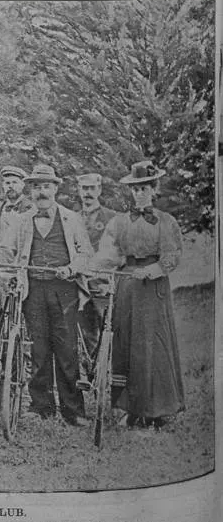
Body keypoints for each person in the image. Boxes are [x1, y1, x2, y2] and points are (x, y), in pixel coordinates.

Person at [0, 164, 93, 426]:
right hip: (33, 289)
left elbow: (86, 255)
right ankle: (41, 407)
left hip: (65, 291)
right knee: (38, 350)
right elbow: (6, 250)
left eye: (46, 186)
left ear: (55, 189)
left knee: (66, 351)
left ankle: (73, 411)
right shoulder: (22, 221)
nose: (41, 192)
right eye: (36, 187)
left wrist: (71, 268)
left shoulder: (72, 219)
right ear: (31, 190)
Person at [91, 161, 184, 430]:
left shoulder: (165, 222)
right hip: (127, 287)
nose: (139, 194)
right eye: (135, 190)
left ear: (154, 189)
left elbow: (172, 255)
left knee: (152, 346)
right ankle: (130, 409)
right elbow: (109, 252)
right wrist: (94, 266)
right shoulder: (119, 222)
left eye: (144, 188)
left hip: (152, 289)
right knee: (125, 344)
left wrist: (153, 270)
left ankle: (158, 410)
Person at [75, 173, 117, 368]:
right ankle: (89, 374)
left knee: (107, 331)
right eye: (84, 188)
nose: (88, 193)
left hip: (102, 284)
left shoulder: (112, 218)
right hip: (79, 283)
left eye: (92, 188)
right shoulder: (72, 217)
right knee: (84, 333)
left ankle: (106, 374)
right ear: (79, 191)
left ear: (99, 190)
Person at [0, 166, 34, 249]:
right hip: (0, 258)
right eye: (7, 183)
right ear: (3, 186)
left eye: (14, 182)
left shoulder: (31, 208)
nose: (10, 186)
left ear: (22, 185)